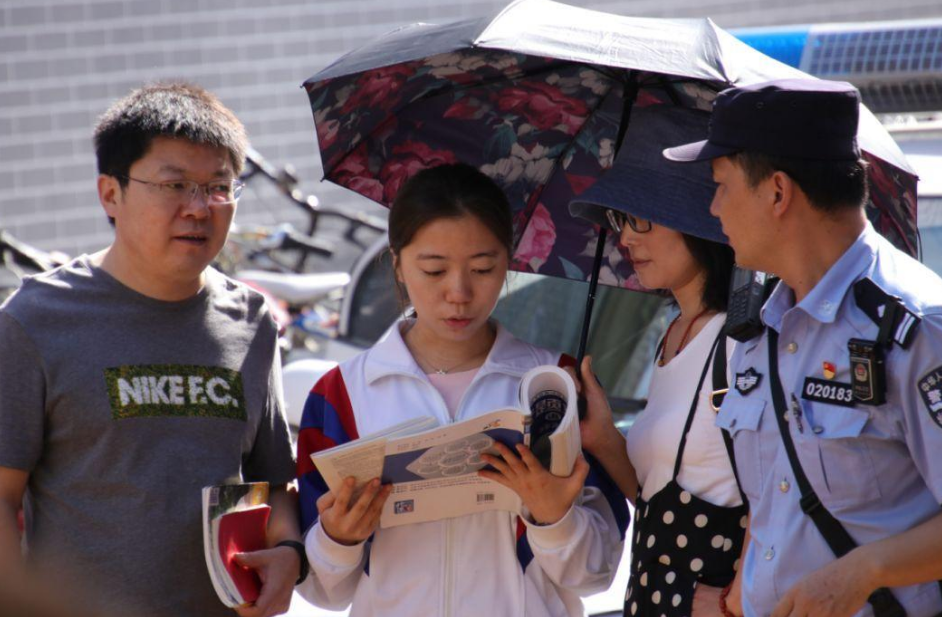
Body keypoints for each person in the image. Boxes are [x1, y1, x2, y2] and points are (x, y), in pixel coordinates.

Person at [0, 82, 303, 617]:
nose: (199, 208)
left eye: (218, 186)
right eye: (175, 185)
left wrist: (287, 553)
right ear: (110, 194)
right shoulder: (35, 320)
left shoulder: (252, 322)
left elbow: (272, 484)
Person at [295, 162, 629, 616]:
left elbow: (596, 575)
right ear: (397, 264)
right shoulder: (340, 395)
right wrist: (339, 538)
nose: (459, 292)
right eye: (434, 271)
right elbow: (322, 592)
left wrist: (553, 516)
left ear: (508, 261)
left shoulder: (555, 385)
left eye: (483, 268)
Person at [664, 78, 942, 617]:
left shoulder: (917, 326)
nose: (713, 208)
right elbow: (779, 503)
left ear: (777, 192)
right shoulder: (757, 328)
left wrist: (864, 572)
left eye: (721, 184)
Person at [569, 106, 746, 617]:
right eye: (620, 219)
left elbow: (776, 495)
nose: (624, 237)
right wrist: (602, 436)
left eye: (640, 216)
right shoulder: (671, 336)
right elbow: (659, 499)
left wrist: (739, 599)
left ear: (695, 214)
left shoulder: (742, 341)